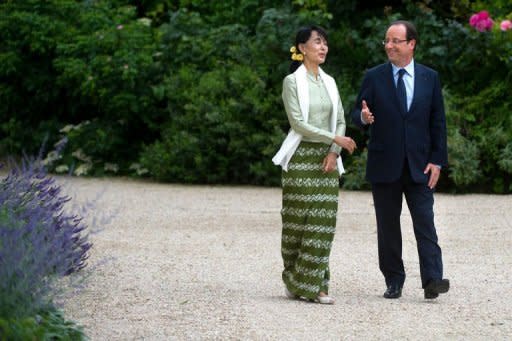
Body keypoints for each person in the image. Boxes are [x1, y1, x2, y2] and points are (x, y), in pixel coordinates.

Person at [351, 20, 449, 299]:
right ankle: (394, 280)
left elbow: (437, 122)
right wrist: (363, 117)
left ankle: (433, 279)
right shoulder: (374, 76)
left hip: (421, 166)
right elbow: (356, 112)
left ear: (411, 44)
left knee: (425, 223)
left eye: (395, 41)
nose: (389, 46)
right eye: (387, 41)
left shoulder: (430, 77)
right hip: (385, 164)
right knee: (388, 226)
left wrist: (437, 160)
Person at [272, 25, 357, 304]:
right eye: (317, 42)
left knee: (323, 223)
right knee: (297, 224)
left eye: (325, 43)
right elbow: (298, 124)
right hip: (300, 160)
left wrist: (334, 151)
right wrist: (334, 137)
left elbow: (342, 119)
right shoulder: (292, 82)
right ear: (302, 48)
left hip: (327, 161)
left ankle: (318, 286)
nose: (323, 48)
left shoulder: (330, 81)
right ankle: (295, 280)